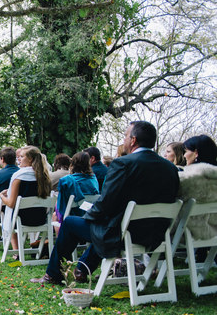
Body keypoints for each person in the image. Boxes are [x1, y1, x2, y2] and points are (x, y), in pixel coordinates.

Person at [31, 121, 180, 285]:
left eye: (125, 135)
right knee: (105, 224)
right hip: (158, 234)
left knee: (71, 223)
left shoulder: (123, 163)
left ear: (133, 140)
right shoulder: (170, 168)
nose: (123, 140)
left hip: (122, 234)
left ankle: (53, 275)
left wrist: (89, 216)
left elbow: (107, 202)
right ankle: (82, 269)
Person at [0, 146, 52, 251]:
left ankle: (16, 251)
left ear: (30, 159)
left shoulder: (19, 176)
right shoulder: (45, 177)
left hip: (21, 220)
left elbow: (10, 204)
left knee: (7, 212)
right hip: (41, 218)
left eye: (22, 156)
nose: (18, 159)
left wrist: (1, 196)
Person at [177, 135, 217, 252]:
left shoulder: (188, 177)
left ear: (196, 153)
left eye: (186, 151)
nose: (184, 155)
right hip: (213, 229)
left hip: (189, 231)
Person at [56, 152, 100, 220]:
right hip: (90, 217)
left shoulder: (65, 181)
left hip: (71, 218)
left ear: (73, 164)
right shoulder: (94, 179)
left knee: (55, 215)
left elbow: (61, 208)